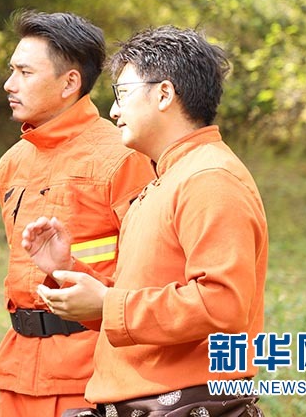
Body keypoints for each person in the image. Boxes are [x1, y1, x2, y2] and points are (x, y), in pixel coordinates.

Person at [23, 26, 268, 417]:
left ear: (164, 94)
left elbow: (222, 303)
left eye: (123, 94)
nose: (114, 111)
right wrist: (69, 271)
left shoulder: (210, 178)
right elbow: (140, 295)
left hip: (185, 402)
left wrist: (108, 303)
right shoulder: (167, 178)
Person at [0, 10, 155, 416]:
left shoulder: (124, 158)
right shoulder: (11, 163)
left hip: (91, 377)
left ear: (69, 83)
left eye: (25, 72)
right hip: (16, 374)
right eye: (12, 70)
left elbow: (149, 279)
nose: (10, 84)